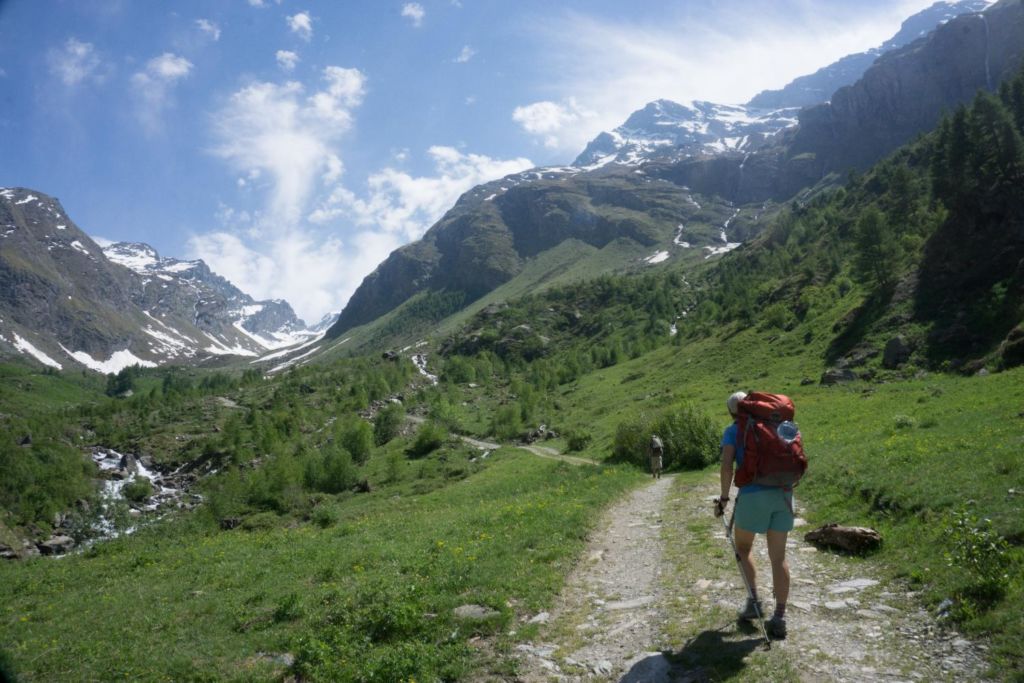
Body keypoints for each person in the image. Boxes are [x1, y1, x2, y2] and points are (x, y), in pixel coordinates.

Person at [714, 391, 792, 639]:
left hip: (752, 495)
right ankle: (779, 616)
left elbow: (727, 465)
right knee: (778, 558)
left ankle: (754, 601)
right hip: (783, 493)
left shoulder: (732, 431)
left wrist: (724, 498)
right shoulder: (777, 425)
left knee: (744, 549)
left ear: (731, 412)